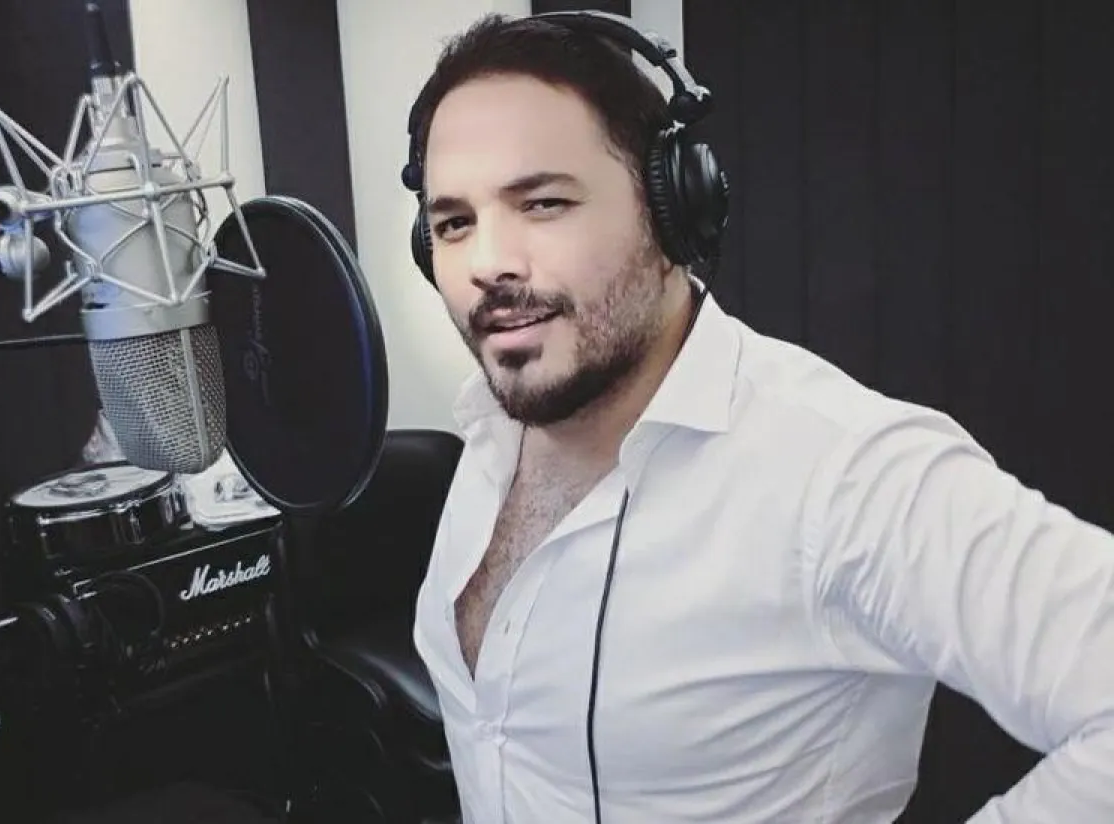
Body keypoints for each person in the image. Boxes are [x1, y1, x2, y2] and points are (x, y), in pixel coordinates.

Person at [404, 11, 1114, 824]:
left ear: (672, 207)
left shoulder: (843, 475)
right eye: (454, 222)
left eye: (543, 203)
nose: (487, 262)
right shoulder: (493, 429)